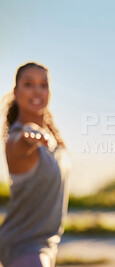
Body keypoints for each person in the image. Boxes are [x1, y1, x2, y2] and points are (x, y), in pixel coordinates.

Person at [0, 62, 70, 267]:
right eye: (28, 84)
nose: (37, 91)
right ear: (16, 91)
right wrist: (29, 134)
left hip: (46, 245)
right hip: (24, 246)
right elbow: (21, 141)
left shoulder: (52, 137)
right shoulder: (17, 138)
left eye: (43, 85)